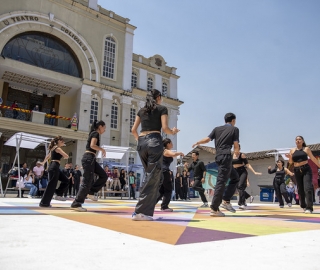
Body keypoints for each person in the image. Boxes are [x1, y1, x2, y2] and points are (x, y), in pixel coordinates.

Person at [131, 89, 179, 221]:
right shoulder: (162, 108)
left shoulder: (142, 110)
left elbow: (133, 130)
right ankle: (140, 212)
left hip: (141, 143)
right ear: (158, 97)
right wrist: (173, 132)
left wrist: (139, 140)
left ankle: (144, 209)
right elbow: (165, 128)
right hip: (154, 142)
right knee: (152, 178)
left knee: (151, 176)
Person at [191, 112, 240, 217]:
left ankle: (226, 200)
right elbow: (236, 145)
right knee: (221, 182)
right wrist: (236, 153)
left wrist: (197, 142)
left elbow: (207, 139)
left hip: (219, 157)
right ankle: (214, 208)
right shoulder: (234, 129)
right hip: (226, 157)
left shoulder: (217, 129)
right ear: (233, 120)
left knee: (235, 177)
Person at [71, 120, 108, 212]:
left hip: (91, 159)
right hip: (89, 158)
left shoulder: (94, 133)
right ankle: (77, 203)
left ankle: (91, 192)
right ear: (100, 126)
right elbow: (92, 145)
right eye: (104, 128)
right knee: (87, 181)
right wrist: (102, 149)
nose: (105, 130)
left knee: (103, 175)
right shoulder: (95, 133)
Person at [285, 136, 320, 214]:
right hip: (297, 170)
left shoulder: (306, 149)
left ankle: (309, 207)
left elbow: (313, 158)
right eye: (296, 140)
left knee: (308, 188)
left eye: (299, 139)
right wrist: (290, 157)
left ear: (303, 141)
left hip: (306, 169)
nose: (298, 141)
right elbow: (291, 162)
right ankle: (303, 205)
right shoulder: (292, 150)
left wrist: (319, 166)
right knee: (300, 189)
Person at [39, 136, 69, 207]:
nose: (63, 142)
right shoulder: (57, 148)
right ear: (58, 141)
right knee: (51, 185)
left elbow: (48, 156)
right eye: (62, 141)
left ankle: (58, 193)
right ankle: (44, 203)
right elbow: (67, 156)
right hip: (54, 166)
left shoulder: (53, 148)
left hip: (55, 167)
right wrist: (65, 157)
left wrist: (43, 162)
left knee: (66, 180)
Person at [157, 138, 184, 211]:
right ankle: (164, 207)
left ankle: (150, 205)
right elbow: (174, 154)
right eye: (171, 143)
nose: (172, 144)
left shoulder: (164, 151)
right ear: (168, 144)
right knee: (168, 189)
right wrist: (180, 153)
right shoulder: (166, 151)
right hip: (164, 171)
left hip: (162, 171)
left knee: (161, 190)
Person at [232, 145, 262, 209]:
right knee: (238, 188)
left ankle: (242, 203)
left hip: (242, 171)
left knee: (240, 186)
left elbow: (247, 164)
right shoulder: (231, 156)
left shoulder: (242, 155)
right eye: (234, 148)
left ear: (239, 148)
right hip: (235, 172)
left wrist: (254, 172)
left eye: (237, 148)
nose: (236, 149)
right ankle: (246, 198)